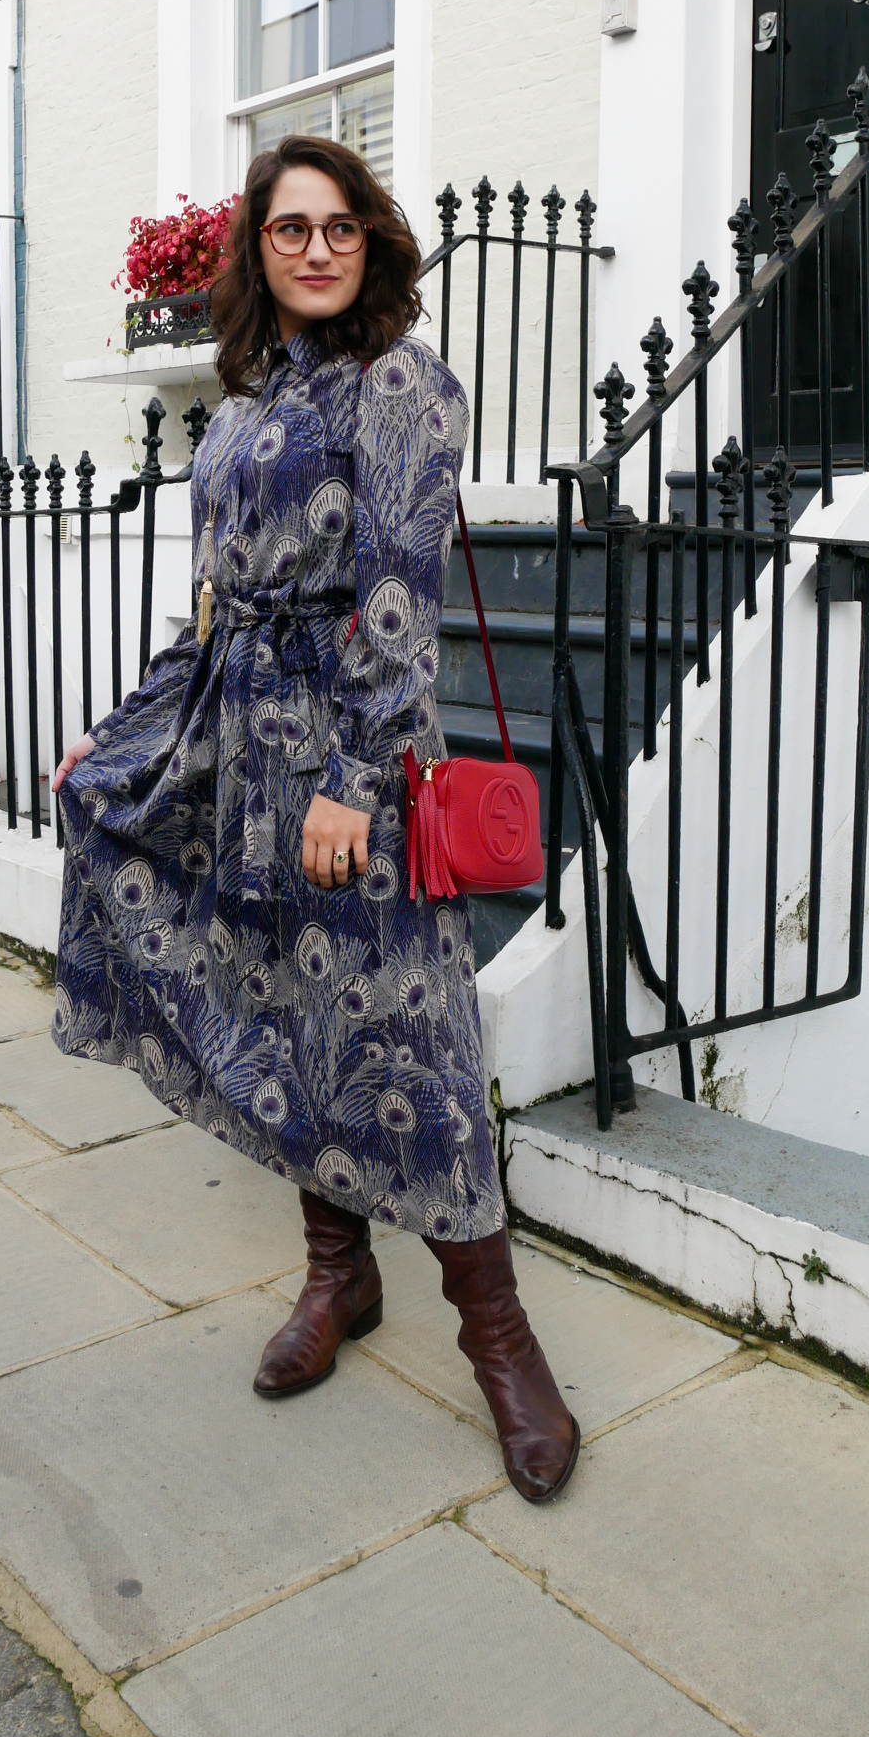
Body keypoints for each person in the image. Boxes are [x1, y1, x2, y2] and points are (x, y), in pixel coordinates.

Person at [50, 135, 578, 1504]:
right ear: (258, 250)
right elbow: (212, 615)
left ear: (373, 239)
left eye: (340, 225)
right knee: (289, 1018)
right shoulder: (236, 409)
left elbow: (401, 599)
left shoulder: (400, 385)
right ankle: (337, 1280)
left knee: (416, 1037)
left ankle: (501, 1339)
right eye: (291, 229)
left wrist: (351, 783)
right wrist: (120, 741)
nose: (318, 248)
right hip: (239, 761)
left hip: (354, 764)